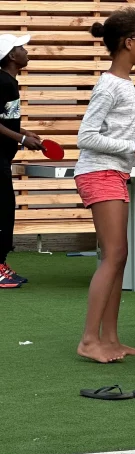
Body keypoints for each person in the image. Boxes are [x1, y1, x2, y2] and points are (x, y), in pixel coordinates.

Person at [74, 8, 135, 362]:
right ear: (129, 43)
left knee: (118, 257)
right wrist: (132, 146)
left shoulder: (124, 83)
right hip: (99, 172)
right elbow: (86, 137)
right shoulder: (109, 84)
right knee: (113, 256)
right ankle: (88, 340)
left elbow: (114, 133)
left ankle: (109, 339)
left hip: (115, 172)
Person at [0, 33, 43, 288]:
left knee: (4, 213)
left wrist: (23, 132)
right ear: (12, 56)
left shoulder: (9, 82)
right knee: (3, 214)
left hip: (3, 157)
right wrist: (23, 139)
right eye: (22, 48)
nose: (27, 52)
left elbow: (4, 118)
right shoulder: (2, 82)